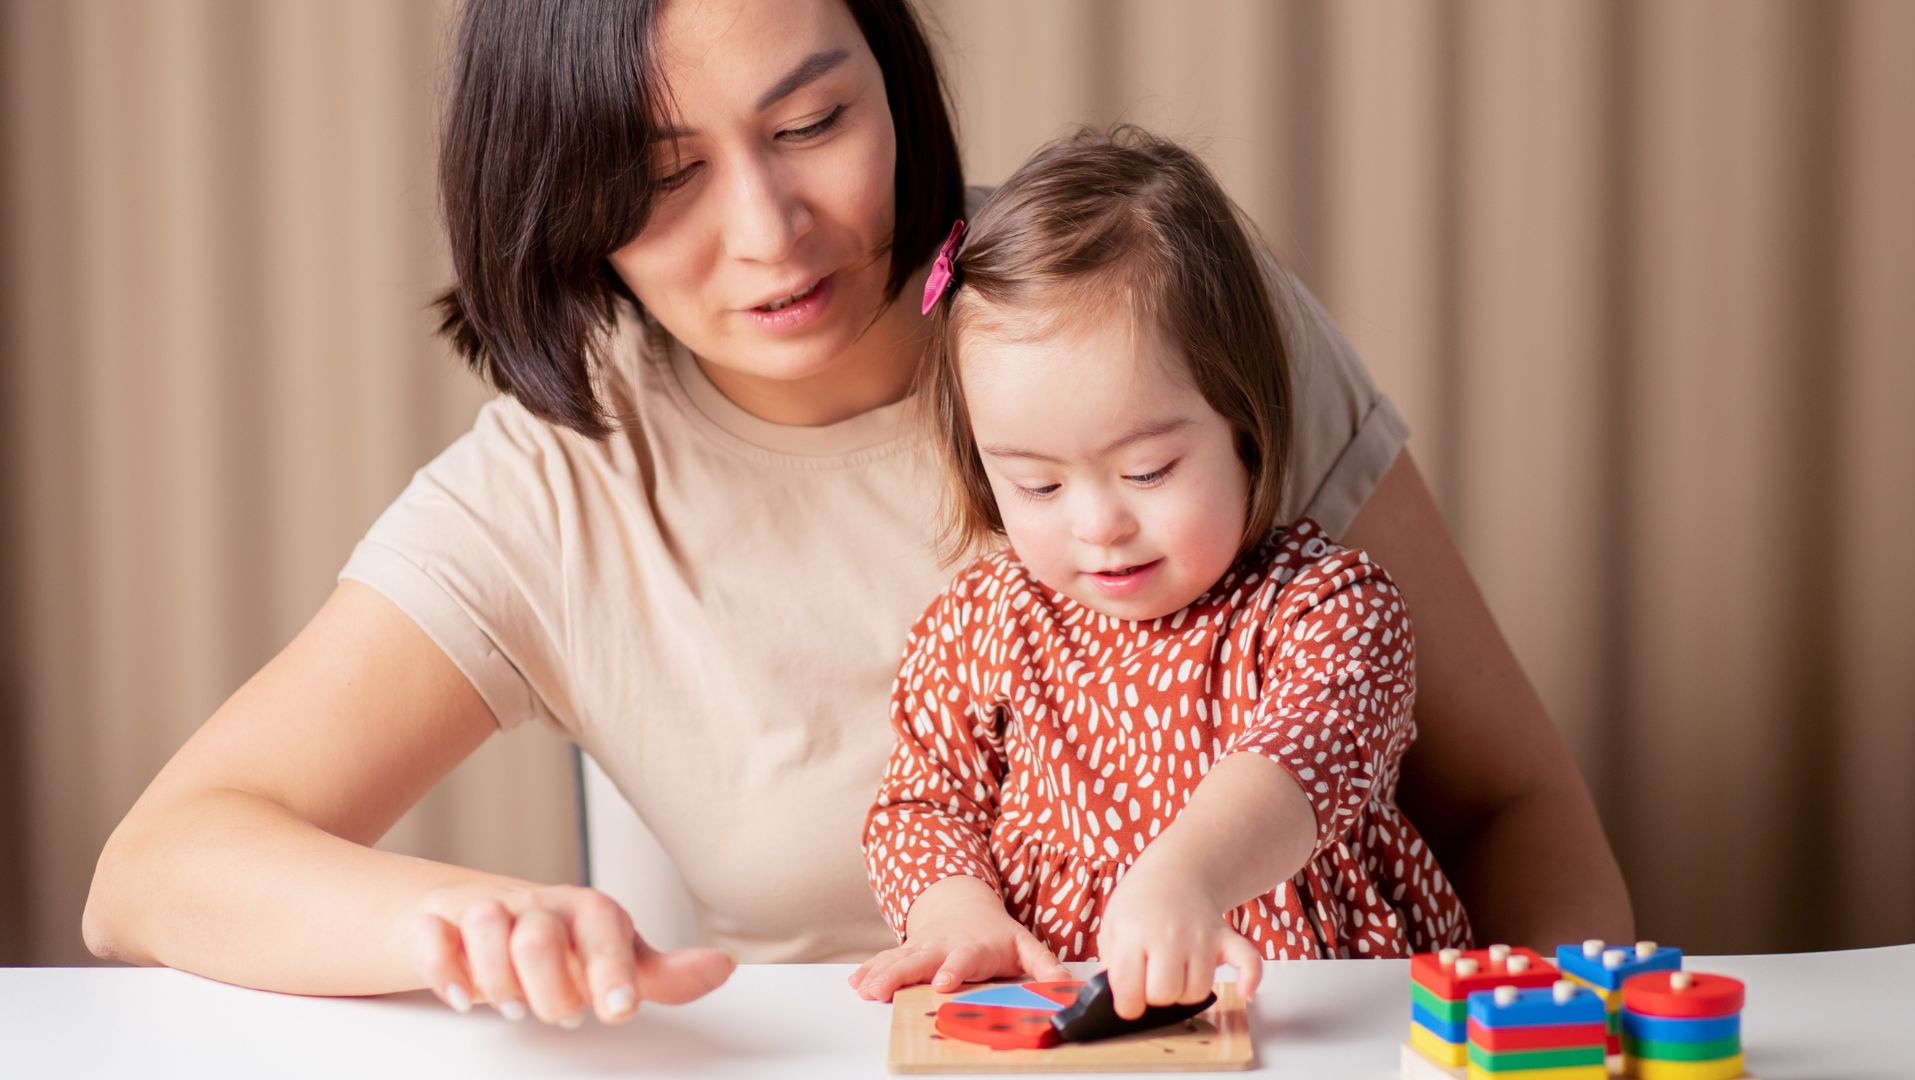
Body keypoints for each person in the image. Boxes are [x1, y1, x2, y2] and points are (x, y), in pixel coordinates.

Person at [81, 0, 1630, 1031]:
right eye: (663, 176)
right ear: (557, 195)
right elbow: (158, 867)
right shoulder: (555, 491)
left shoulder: (1153, 327)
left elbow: (1510, 804)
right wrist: (476, 922)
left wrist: (1551, 1042)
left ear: (896, 86)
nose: (769, 234)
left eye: (815, 123)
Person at [853, 130, 1467, 1018]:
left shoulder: (1330, 609)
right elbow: (921, 798)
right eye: (1038, 484)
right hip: (1065, 1018)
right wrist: (954, 911)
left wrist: (1187, 875)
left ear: (1243, 429)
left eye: (1147, 471)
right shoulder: (981, 625)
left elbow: (1304, 754)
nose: (1099, 523)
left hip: (1314, 1009)